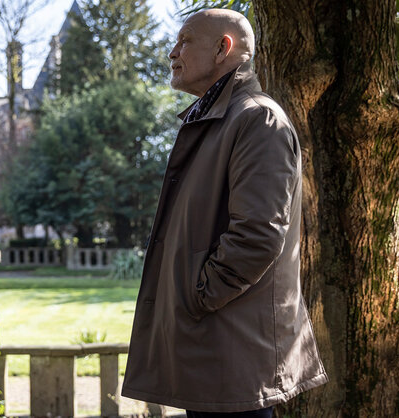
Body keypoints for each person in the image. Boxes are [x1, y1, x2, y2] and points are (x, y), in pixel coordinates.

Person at [121, 9, 328, 417]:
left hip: (233, 349)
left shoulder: (257, 119)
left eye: (184, 42)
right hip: (214, 346)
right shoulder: (217, 120)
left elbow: (256, 236)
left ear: (223, 48)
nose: (172, 53)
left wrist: (198, 297)